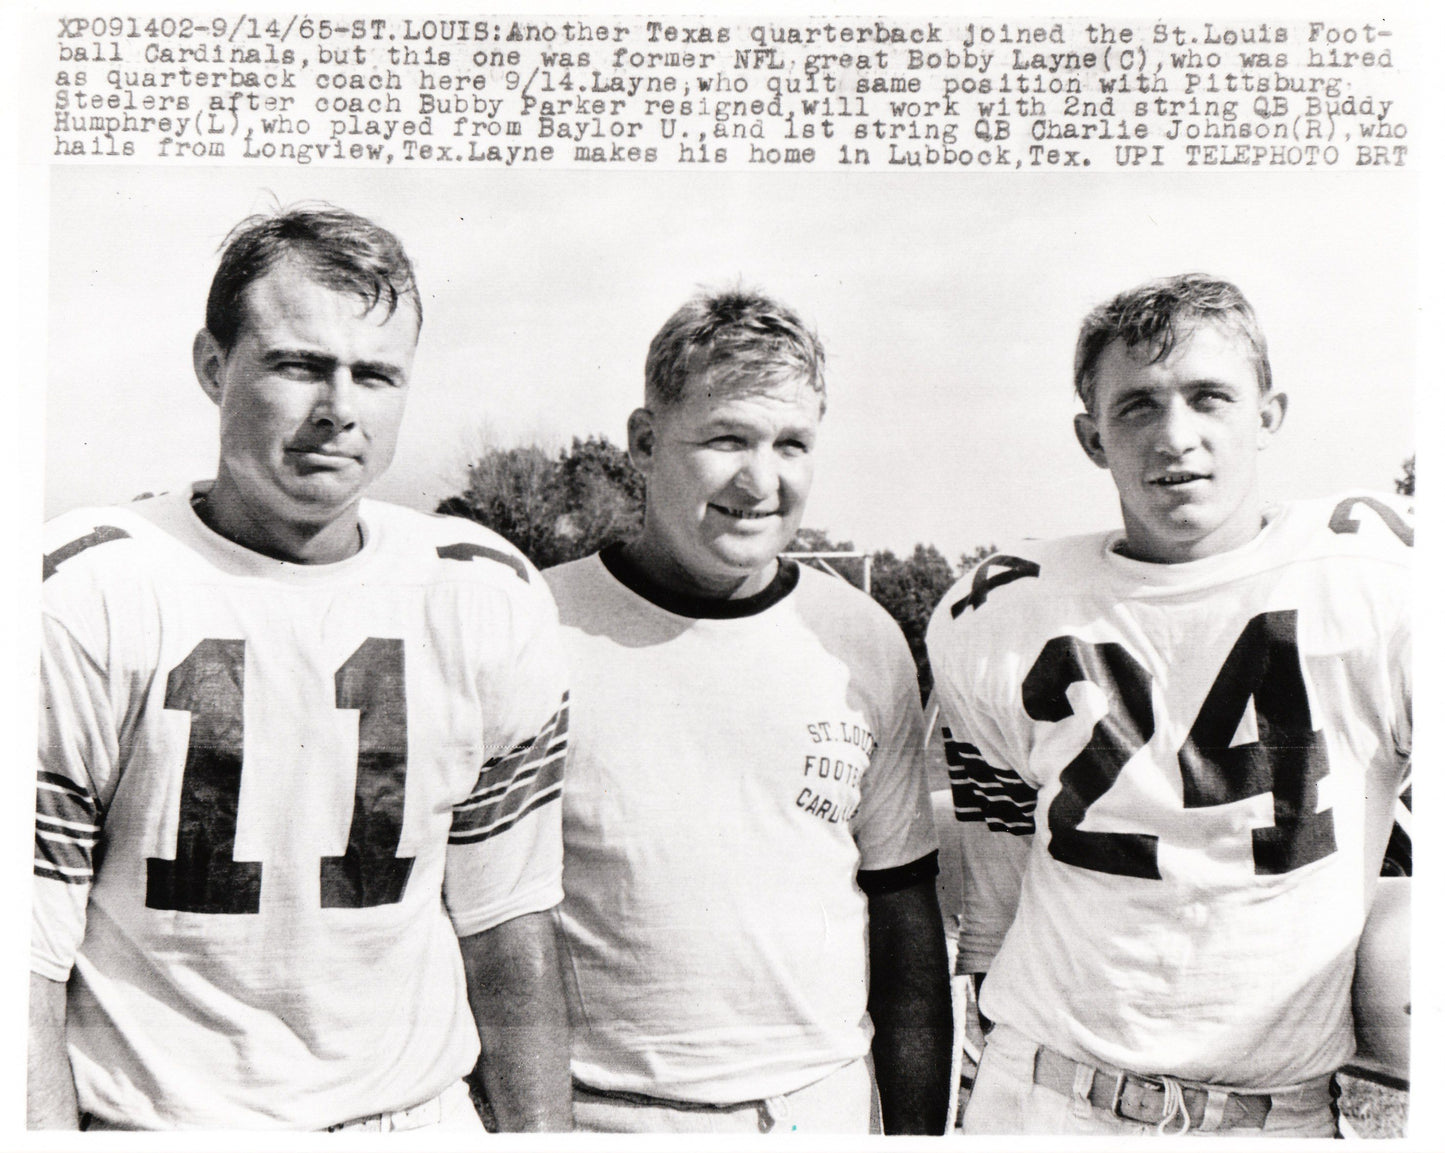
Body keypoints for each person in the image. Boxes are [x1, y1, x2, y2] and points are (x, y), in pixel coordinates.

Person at [31, 206, 573, 1131]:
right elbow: (24, 965)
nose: (339, 408)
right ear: (213, 365)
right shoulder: (84, 590)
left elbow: (508, 927)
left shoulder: (482, 591)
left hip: (417, 1114)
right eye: (297, 364)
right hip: (169, 1123)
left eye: (375, 373)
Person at [926, 273, 1411, 1137]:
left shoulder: (1382, 580)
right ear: (1091, 436)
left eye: (1208, 397)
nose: (1174, 437)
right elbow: (997, 892)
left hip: (1271, 1111)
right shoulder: (998, 612)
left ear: (1267, 414)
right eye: (1138, 406)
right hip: (1043, 1093)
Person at [544, 289, 951, 1134]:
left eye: (790, 444)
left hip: (817, 1109)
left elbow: (903, 923)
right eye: (726, 437)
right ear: (646, 441)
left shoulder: (857, 635)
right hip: (605, 1114)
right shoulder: (537, 625)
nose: (758, 480)